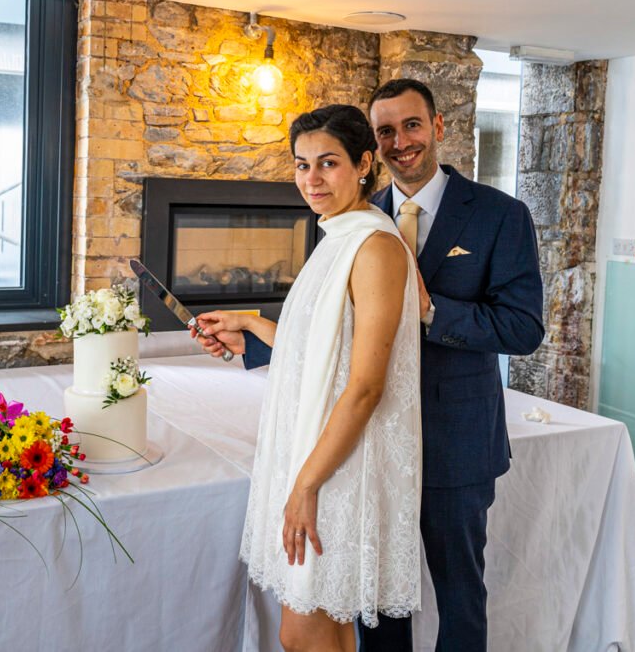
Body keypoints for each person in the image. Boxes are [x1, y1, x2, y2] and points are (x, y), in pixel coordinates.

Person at [200, 80, 545, 650]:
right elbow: (337, 329)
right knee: (374, 607)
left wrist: (432, 310)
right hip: (366, 450)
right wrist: (256, 337)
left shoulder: (497, 215)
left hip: (452, 439)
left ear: (437, 127)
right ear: (373, 149)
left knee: (460, 598)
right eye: (386, 130)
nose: (400, 141)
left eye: (412, 125)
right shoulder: (350, 217)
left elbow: (523, 329)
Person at [192, 104, 423, 652]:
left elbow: (366, 385)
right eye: (301, 165)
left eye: (328, 163)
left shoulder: (376, 247)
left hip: (341, 467)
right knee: (317, 632)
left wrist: (306, 485)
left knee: (304, 635)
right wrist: (250, 324)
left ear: (365, 163)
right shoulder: (338, 236)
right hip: (316, 451)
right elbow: (326, 348)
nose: (311, 180)